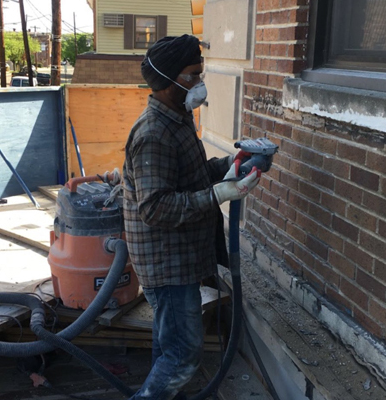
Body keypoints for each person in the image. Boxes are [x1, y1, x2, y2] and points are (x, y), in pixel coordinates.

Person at [123, 34, 260, 400]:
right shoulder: (154, 134)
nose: (200, 84)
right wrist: (217, 194)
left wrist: (229, 166)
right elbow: (155, 208)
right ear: (169, 80)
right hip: (167, 265)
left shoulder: (177, 117)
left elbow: (191, 173)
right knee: (184, 356)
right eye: (193, 75)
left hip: (179, 257)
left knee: (169, 348)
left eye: (201, 74)